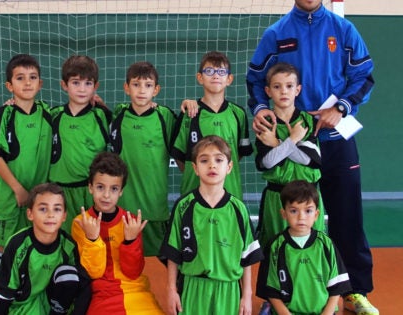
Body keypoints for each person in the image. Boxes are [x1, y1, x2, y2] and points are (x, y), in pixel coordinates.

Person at [246, 1, 377, 313]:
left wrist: (341, 107)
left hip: (336, 138)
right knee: (291, 222)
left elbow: (364, 76)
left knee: (347, 217)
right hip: (292, 140)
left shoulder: (343, 30)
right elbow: (256, 81)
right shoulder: (276, 33)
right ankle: (277, 296)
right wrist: (262, 108)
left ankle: (354, 292)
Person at [160, 135, 263, 315]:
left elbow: (247, 257)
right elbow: (173, 254)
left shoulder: (238, 209)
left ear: (229, 167)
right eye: (204, 160)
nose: (212, 165)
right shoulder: (184, 206)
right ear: (195, 168)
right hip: (193, 289)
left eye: (218, 160)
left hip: (228, 290)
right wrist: (171, 290)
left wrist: (247, 294)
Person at [71, 152, 165, 314]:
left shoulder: (131, 222)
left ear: (121, 191)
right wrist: (92, 238)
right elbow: (94, 272)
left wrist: (130, 241)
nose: (106, 195)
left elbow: (133, 272)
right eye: (100, 187)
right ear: (90, 187)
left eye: (114, 189)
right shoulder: (81, 223)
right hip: (100, 294)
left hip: (135, 291)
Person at [0, 54, 52, 266]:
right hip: (10, 195)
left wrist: (98, 102)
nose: (27, 82)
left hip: (38, 195)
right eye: (20, 78)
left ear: (40, 84)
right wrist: (17, 189)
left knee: (36, 241)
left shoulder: (48, 113)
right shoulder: (4, 113)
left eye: (32, 77)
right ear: (9, 85)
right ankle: (6, 290)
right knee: (8, 244)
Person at [254, 62, 325, 248]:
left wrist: (278, 144)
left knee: (312, 249)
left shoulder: (307, 120)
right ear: (268, 91)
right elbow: (267, 163)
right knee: (275, 251)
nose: (283, 91)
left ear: (298, 89)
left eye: (289, 86)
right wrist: (294, 140)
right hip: (276, 198)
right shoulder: (264, 123)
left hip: (308, 196)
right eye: (277, 87)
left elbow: (310, 160)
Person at [0, 183, 90, 315]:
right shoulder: (17, 244)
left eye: (57, 209)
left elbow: (81, 286)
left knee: (69, 274)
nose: (50, 215)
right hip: (24, 307)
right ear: (30, 214)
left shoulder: (68, 245)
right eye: (43, 209)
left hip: (53, 305)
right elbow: (4, 296)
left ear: (64, 216)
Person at [110, 61, 177, 256]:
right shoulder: (118, 114)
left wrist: (189, 103)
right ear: (126, 88)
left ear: (156, 90)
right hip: (123, 211)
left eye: (148, 85)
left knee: (156, 268)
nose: (141, 91)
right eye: (136, 84)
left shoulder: (165, 117)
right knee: (124, 264)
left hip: (155, 212)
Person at [256, 180, 352, 315]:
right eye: (294, 211)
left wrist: (327, 313)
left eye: (308, 211)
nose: (301, 217)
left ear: (316, 215)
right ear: (284, 214)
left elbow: (337, 287)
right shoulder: (275, 246)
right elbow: (270, 290)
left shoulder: (326, 244)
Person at [170, 51, 253, 201]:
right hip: (193, 194)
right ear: (200, 78)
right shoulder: (190, 112)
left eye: (221, 72)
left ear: (229, 79)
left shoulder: (238, 114)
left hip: (230, 192)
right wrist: (196, 171)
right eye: (209, 71)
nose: (215, 76)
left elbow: (238, 153)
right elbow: (179, 156)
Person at [50, 55, 112, 233]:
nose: (82, 89)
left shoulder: (102, 116)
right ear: (64, 85)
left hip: (91, 191)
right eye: (76, 83)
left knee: (92, 243)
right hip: (60, 191)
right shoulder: (52, 116)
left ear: (96, 86)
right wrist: (13, 102)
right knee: (63, 241)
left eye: (88, 83)